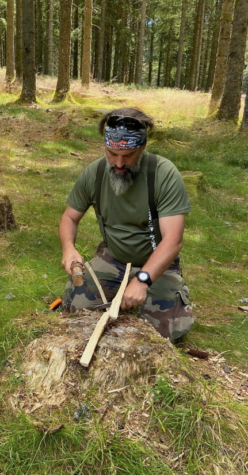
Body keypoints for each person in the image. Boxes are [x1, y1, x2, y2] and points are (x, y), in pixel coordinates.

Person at [59, 108, 193, 343]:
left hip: (158, 263)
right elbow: (69, 217)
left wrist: (142, 280)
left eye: (128, 155)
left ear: (142, 148)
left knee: (165, 332)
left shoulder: (163, 174)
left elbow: (173, 240)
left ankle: (164, 292)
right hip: (113, 259)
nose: (119, 163)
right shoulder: (95, 173)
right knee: (75, 308)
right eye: (112, 153)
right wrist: (68, 248)